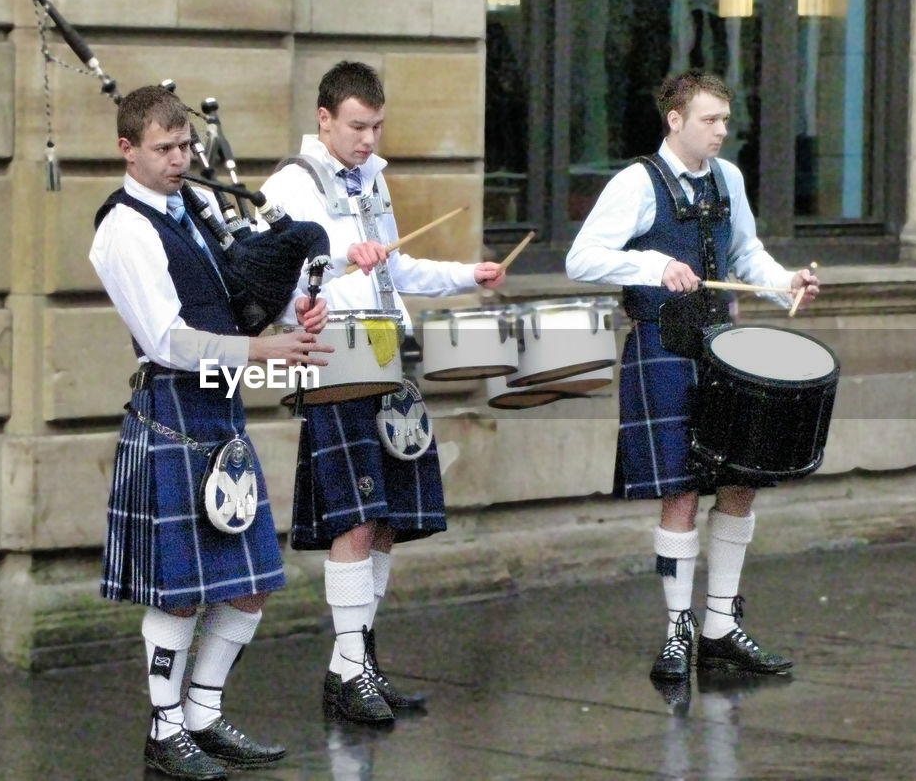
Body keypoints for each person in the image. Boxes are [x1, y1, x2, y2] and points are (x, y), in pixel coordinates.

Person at [89, 85, 331, 781]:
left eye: (184, 145)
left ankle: (201, 712)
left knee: (250, 580)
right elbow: (167, 338)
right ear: (126, 149)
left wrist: (289, 318)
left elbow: (234, 301)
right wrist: (264, 354)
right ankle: (164, 730)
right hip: (172, 408)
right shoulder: (124, 228)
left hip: (220, 409)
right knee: (183, 590)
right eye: (162, 148)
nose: (177, 159)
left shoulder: (192, 208)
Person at [260, 60, 506, 724]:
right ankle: (348, 671)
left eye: (376, 125)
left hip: (387, 349)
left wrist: (467, 275)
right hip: (337, 350)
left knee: (391, 513)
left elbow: (397, 266)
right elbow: (278, 284)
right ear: (324, 119)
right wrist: (342, 260)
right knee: (356, 513)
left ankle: (356, 666)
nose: (369, 139)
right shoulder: (288, 185)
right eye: (357, 126)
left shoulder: (371, 177)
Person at [566, 70, 820, 683]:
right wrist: (653, 264)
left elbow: (745, 254)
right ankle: (679, 630)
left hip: (725, 350)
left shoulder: (729, 178)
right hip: (663, 343)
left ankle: (721, 626)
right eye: (710, 120)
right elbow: (582, 258)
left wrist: (784, 280)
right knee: (680, 489)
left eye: (726, 121)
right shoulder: (636, 182)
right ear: (675, 120)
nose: (722, 132)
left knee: (740, 480)